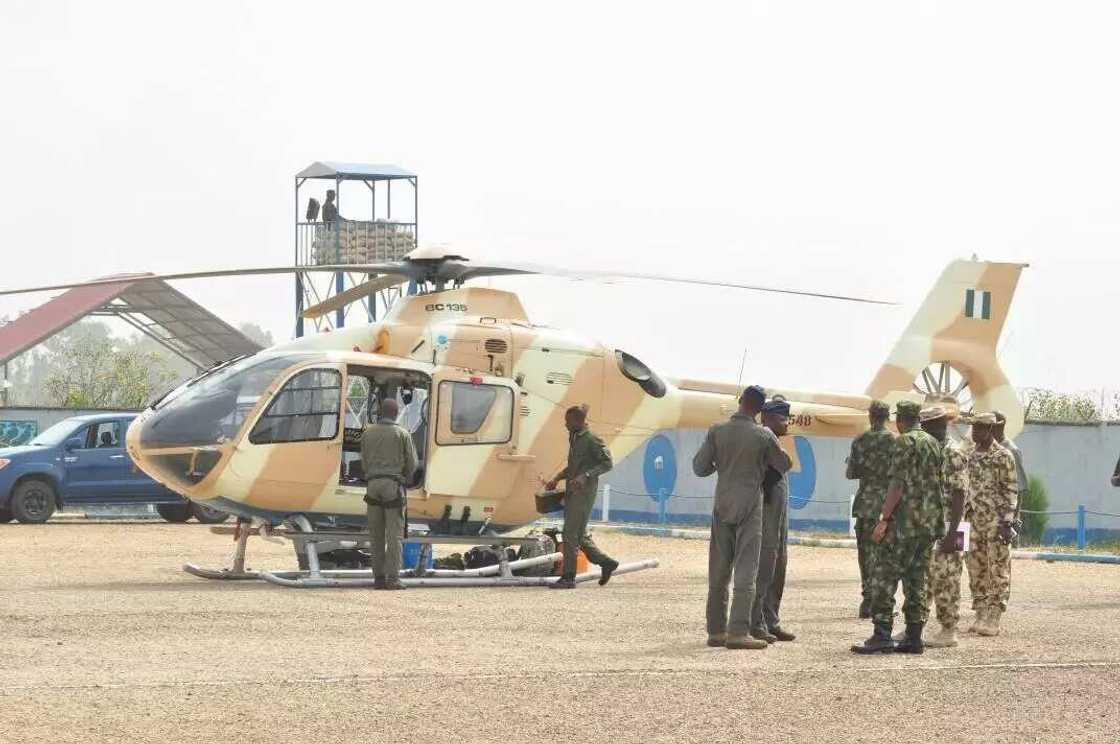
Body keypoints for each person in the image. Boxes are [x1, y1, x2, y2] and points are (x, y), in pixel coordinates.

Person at [693, 385, 792, 651]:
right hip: (750, 506)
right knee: (746, 570)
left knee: (718, 570)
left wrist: (723, 464)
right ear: (760, 409)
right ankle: (738, 631)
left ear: (740, 401)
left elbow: (699, 468)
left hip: (722, 503)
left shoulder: (717, 431)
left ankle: (716, 630)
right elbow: (783, 465)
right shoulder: (763, 435)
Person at [851, 401, 945, 655]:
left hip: (903, 523)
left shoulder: (904, 442)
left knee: (883, 576)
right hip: (927, 524)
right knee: (916, 580)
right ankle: (914, 636)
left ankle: (881, 634)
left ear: (901, 420)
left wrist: (884, 518)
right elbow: (939, 483)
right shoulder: (934, 443)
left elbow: (897, 484)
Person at [545, 406, 619, 589]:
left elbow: (608, 463)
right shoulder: (575, 438)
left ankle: (568, 577)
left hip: (583, 494)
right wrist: (557, 478)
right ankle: (607, 563)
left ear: (578, 421)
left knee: (570, 534)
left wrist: (586, 476)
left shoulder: (592, 440)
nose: (565, 425)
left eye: (568, 421)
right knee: (579, 535)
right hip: (572, 492)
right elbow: (574, 466)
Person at [964, 412, 1018, 637]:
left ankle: (994, 615)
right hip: (973, 520)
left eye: (979, 428)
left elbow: (1011, 489)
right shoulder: (970, 455)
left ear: (989, 430)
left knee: (998, 567)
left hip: (996, 521)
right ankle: (981, 611)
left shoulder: (1003, 456)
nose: (974, 432)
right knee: (975, 567)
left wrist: (1007, 521)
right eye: (973, 427)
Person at [923, 408, 971, 649]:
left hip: (953, 525)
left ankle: (948, 630)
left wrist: (953, 533)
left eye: (927, 425)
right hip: (930, 524)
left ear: (939, 426)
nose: (923, 430)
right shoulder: (930, 450)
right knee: (924, 577)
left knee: (947, 579)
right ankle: (916, 625)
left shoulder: (953, 452)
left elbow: (960, 494)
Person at [750, 399, 796, 644]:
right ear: (766, 418)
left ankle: (771, 620)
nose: (786, 423)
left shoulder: (775, 442)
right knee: (764, 569)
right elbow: (781, 466)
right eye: (781, 419)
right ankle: (756, 622)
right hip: (766, 515)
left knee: (778, 567)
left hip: (778, 518)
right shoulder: (763, 440)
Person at [361, 398, 418, 590]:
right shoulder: (402, 434)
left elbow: (363, 461)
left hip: (372, 486)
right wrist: (405, 477)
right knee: (394, 536)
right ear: (396, 413)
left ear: (380, 412)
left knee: (376, 535)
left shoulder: (367, 433)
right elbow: (412, 463)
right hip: (392, 486)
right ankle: (392, 579)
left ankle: (378, 578)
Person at [846, 400, 896, 619]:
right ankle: (881, 602)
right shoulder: (895, 441)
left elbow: (851, 473)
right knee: (885, 555)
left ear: (870, 416)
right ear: (887, 417)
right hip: (887, 506)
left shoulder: (860, 441)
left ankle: (867, 600)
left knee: (865, 554)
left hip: (865, 504)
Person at [992, 411, 1028, 531]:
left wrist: (1013, 519)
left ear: (997, 428)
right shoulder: (989, 448)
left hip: (1005, 518)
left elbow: (1019, 487)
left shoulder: (1012, 451)